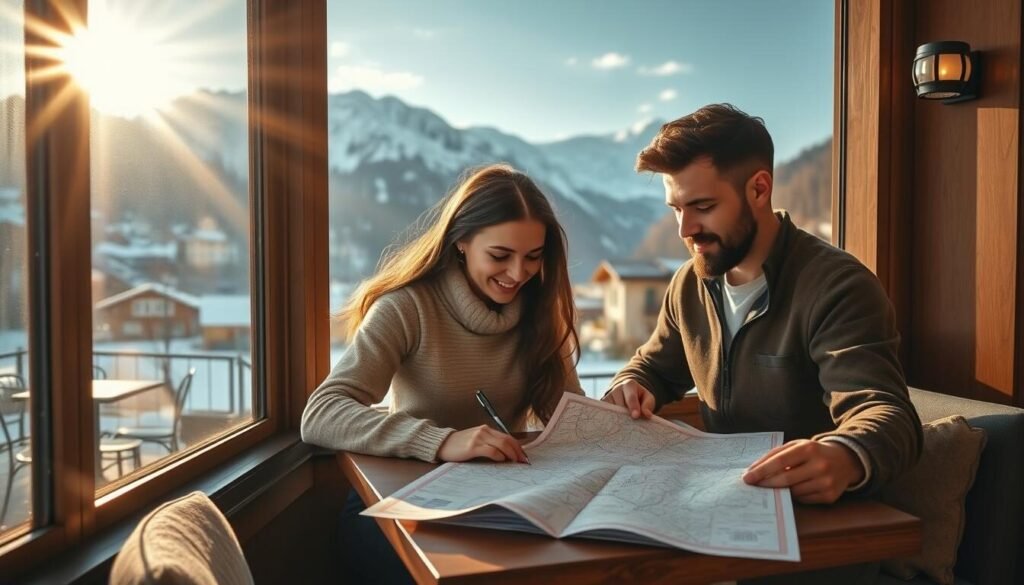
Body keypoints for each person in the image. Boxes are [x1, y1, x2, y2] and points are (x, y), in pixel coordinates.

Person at [603, 103, 922, 506]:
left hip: (816, 526)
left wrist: (844, 455)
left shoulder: (838, 286)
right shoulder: (690, 282)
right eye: (677, 210)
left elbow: (887, 413)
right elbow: (653, 367)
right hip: (720, 503)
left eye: (703, 207)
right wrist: (630, 385)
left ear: (758, 189)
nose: (685, 230)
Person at [301, 163, 583, 583]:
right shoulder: (406, 307)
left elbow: (571, 419)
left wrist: (616, 413)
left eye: (533, 257)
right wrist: (442, 440)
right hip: (400, 504)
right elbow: (321, 414)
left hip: (500, 503)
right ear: (461, 241)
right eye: (500, 255)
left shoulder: (540, 310)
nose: (518, 274)